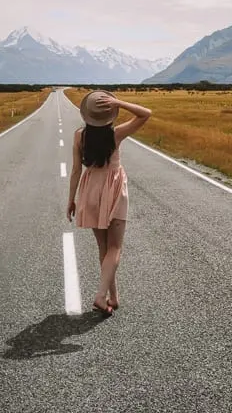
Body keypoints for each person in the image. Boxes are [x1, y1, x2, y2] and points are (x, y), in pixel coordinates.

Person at [66, 89, 152, 316]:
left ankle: (113, 296)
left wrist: (71, 200)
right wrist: (119, 102)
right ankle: (100, 296)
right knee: (115, 247)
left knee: (103, 247)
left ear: (87, 115)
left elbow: (76, 170)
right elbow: (145, 114)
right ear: (109, 113)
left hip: (89, 188)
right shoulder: (116, 134)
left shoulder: (78, 136)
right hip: (113, 188)